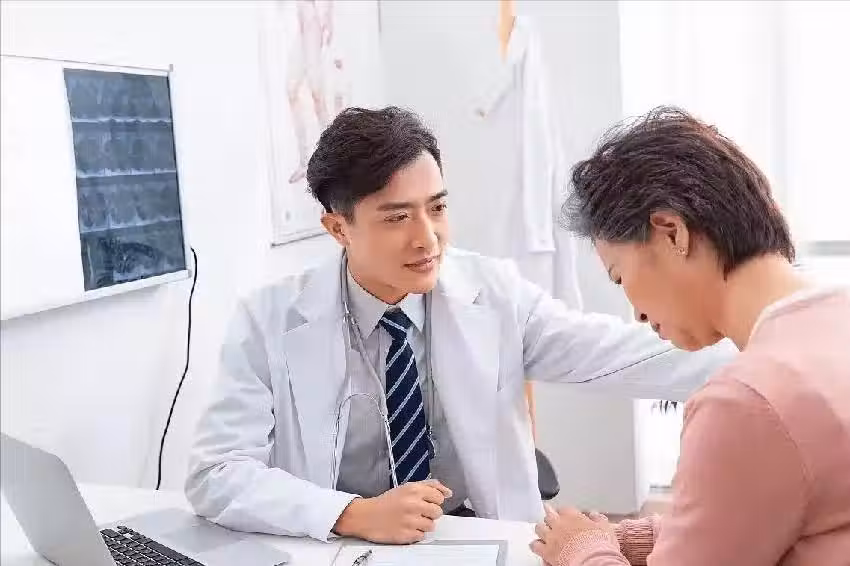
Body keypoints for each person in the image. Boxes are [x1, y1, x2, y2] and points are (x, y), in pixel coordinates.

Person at [185, 107, 734, 545]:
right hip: (340, 540)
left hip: (472, 532)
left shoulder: (494, 294)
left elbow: (624, 354)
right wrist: (351, 514)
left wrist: (765, 343)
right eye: (397, 217)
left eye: (437, 208)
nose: (427, 239)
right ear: (338, 228)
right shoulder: (268, 320)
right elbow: (216, 473)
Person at [530, 107, 850, 566]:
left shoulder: (746, 403)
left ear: (671, 233)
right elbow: (779, 507)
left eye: (619, 277)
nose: (637, 312)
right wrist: (643, 537)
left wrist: (582, 551)